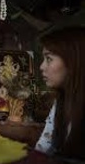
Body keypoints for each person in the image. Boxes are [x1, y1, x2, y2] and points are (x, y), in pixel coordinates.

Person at [35, 26, 85, 161]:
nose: (42, 67)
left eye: (49, 59)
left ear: (73, 61)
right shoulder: (61, 101)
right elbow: (43, 150)